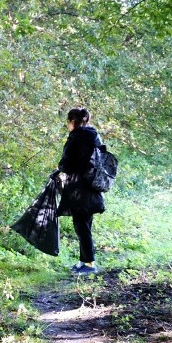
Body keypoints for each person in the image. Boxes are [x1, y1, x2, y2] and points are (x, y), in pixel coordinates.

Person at [56, 107, 104, 276]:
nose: (67, 126)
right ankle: (84, 261)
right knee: (85, 224)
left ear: (72, 122)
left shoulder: (75, 138)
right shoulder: (94, 136)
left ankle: (90, 264)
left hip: (79, 188)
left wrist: (59, 168)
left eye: (68, 123)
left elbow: (66, 164)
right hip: (93, 186)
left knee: (81, 226)